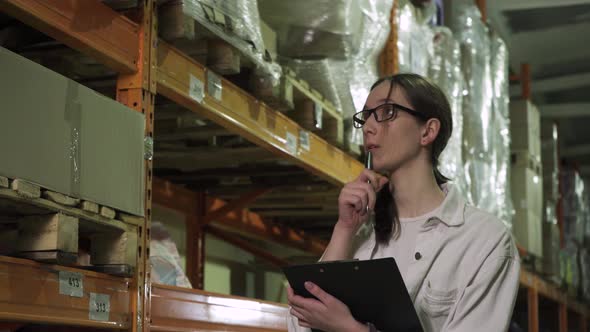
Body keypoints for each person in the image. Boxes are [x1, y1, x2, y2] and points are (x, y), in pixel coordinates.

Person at [286, 73, 520, 332]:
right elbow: (299, 325)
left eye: (386, 112)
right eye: (365, 116)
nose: (368, 127)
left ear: (427, 131)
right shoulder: (361, 233)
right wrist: (344, 229)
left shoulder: (484, 241)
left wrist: (349, 329)